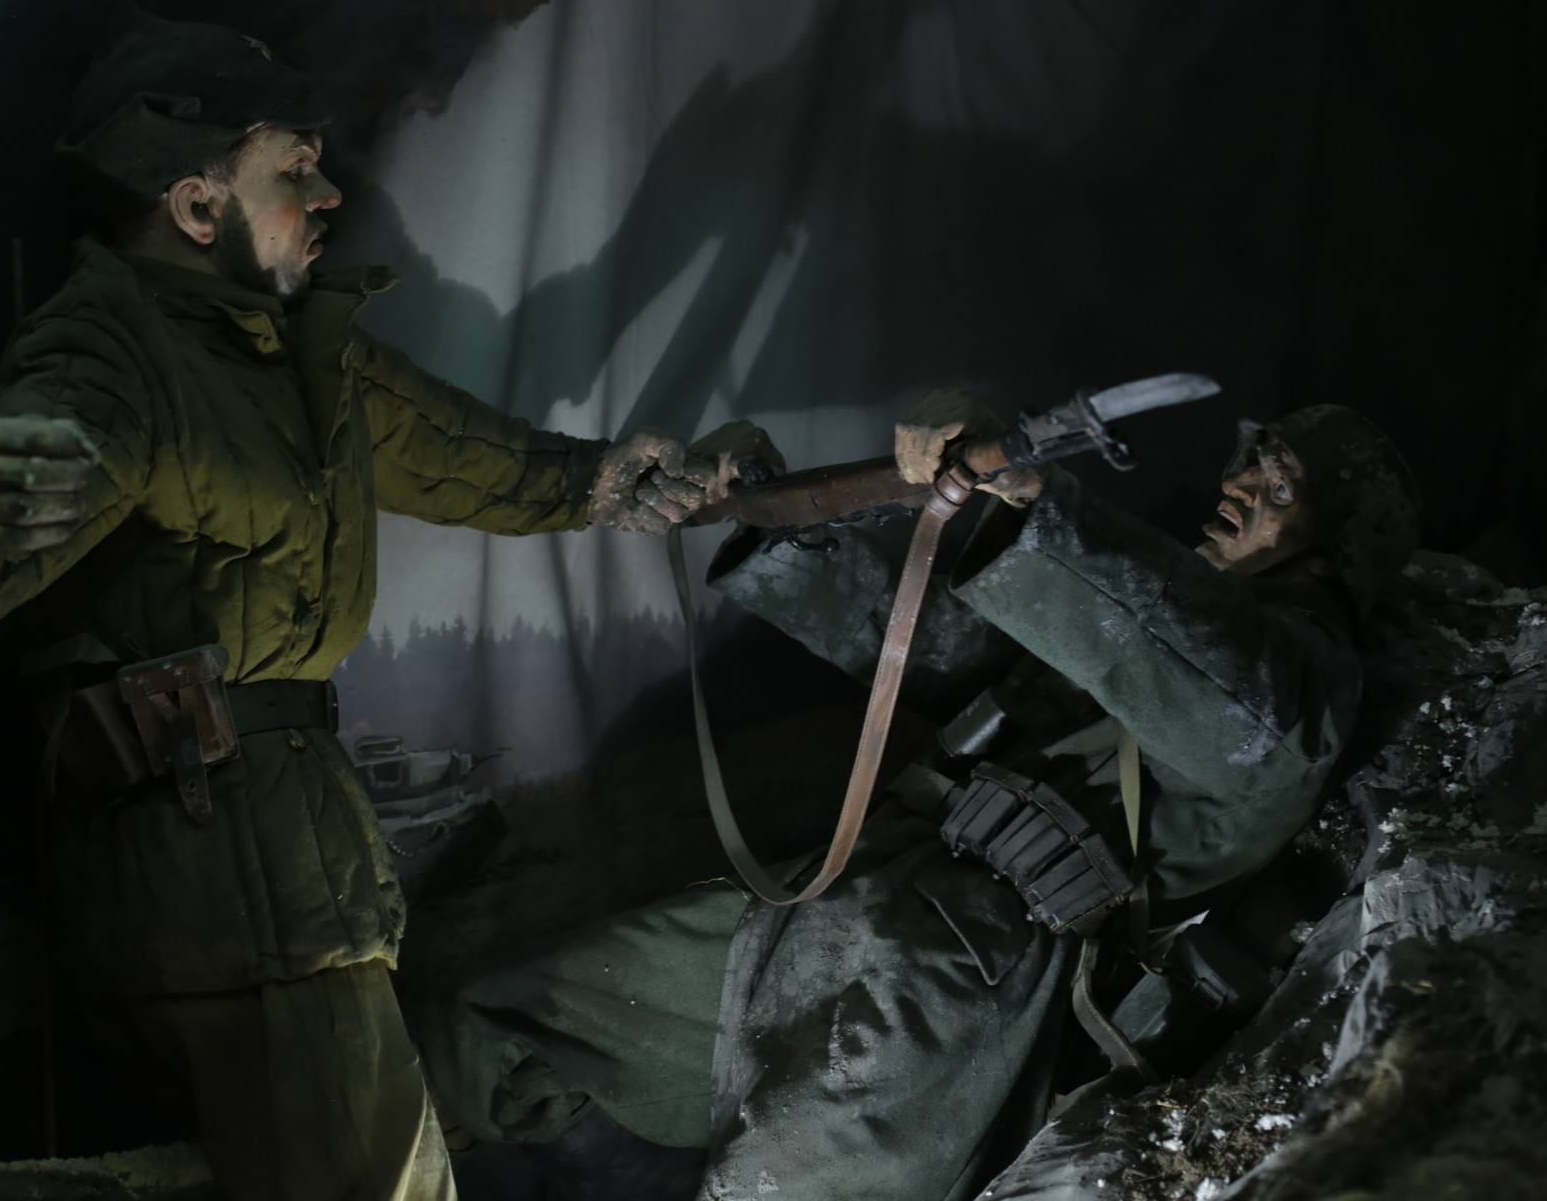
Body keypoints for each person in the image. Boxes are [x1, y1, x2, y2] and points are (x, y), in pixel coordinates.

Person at [0, 0, 771, 1201]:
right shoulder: (113, 354)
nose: (329, 194)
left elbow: (465, 456)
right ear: (196, 204)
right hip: (235, 892)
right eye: (294, 167)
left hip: (272, 876)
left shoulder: (290, 350)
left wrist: (604, 484)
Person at [418, 389, 1420, 1201]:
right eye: (1250, 462)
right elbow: (944, 653)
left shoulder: (1300, 684)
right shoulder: (1159, 627)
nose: (1237, 483)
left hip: (955, 988)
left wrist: (1031, 491)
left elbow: (1220, 693)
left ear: (1335, 548)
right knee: (505, 1031)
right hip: (852, 901)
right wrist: (776, 517)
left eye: (1278, 484)